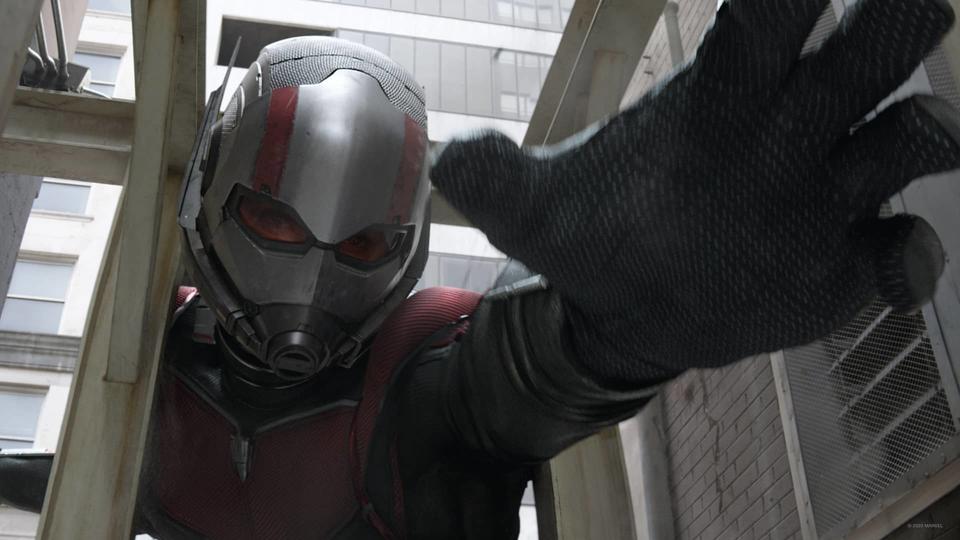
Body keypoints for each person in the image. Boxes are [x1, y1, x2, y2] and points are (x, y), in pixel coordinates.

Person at [3, 0, 960, 538]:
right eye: (274, 220)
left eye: (362, 245)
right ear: (217, 192)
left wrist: (631, 321)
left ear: (405, 246)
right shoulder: (149, 356)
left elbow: (522, 369)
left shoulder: (424, 370)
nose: (312, 280)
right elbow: (103, 473)